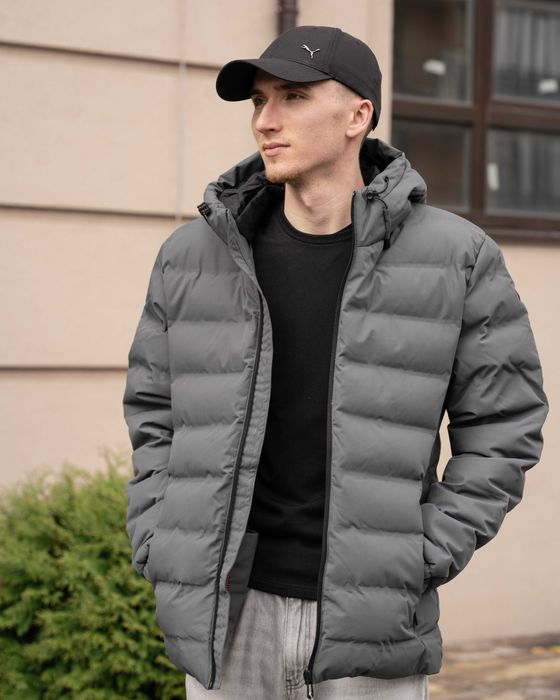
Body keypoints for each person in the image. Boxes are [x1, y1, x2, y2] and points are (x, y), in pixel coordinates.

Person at [123, 24, 548, 700]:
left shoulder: (458, 259)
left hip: (369, 623)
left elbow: (505, 427)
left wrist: (420, 555)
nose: (265, 120)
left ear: (358, 116)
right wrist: (159, 535)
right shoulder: (193, 257)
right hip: (230, 616)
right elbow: (153, 412)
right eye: (258, 100)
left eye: (292, 97)